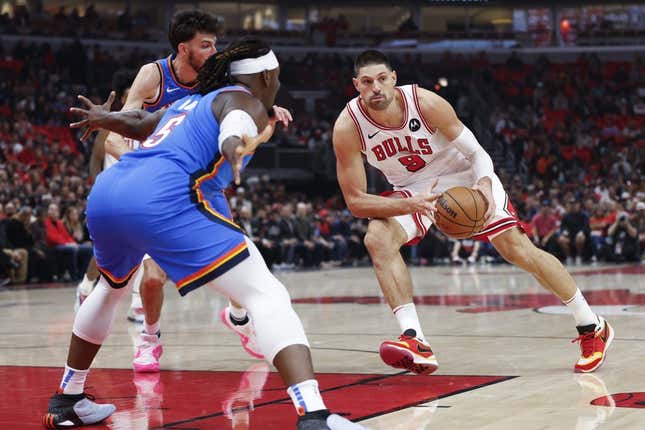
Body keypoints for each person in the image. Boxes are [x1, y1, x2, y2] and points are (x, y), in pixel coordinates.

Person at [44, 38, 366, 430]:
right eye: (277, 78)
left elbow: (138, 123)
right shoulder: (242, 99)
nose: (278, 85)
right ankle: (315, 416)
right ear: (266, 75)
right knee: (265, 293)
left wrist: (100, 119)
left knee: (109, 291)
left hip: (109, 194)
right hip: (162, 199)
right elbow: (235, 126)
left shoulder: (186, 104)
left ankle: (67, 400)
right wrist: (232, 147)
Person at [331, 50, 612, 375]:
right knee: (377, 238)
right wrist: (410, 204)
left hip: (466, 176)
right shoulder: (347, 127)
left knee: (517, 250)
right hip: (414, 188)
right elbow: (356, 201)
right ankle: (414, 339)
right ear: (356, 85)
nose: (376, 87)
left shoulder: (425, 103)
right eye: (367, 82)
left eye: (382, 79)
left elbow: (477, 152)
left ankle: (590, 325)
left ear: (394, 78)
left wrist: (482, 185)